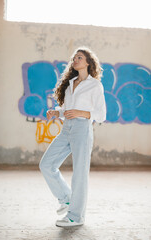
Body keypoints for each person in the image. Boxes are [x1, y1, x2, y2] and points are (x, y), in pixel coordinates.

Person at [39, 46, 106, 227]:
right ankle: (66, 198)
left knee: (80, 174)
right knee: (46, 164)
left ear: (88, 63)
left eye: (79, 57)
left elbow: (101, 114)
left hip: (82, 130)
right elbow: (68, 110)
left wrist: (81, 112)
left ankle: (76, 217)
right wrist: (57, 112)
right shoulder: (70, 84)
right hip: (66, 129)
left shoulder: (95, 85)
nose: (75, 60)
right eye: (74, 58)